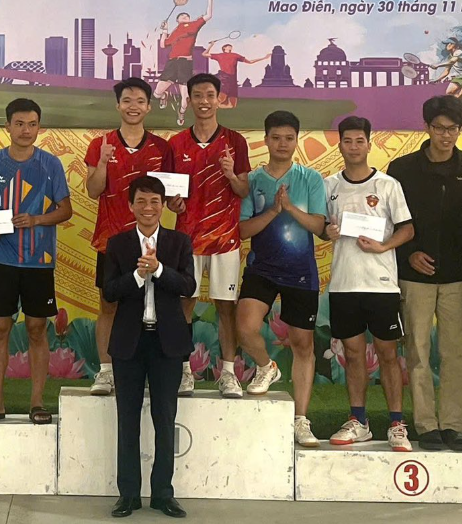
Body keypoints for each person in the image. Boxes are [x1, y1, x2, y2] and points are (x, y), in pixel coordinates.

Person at [388, 94, 462, 451]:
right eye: (439, 128)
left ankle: (455, 426)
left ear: (460, 130)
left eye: (453, 129)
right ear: (427, 128)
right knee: (417, 350)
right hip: (414, 275)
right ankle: (426, 425)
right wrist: (409, 253)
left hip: (457, 274)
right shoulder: (402, 169)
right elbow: (390, 220)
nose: (446, 135)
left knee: (455, 353)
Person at [0, 98, 73, 425]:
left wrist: (37, 220)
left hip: (38, 261)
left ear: (39, 127)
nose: (26, 130)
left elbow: (65, 210)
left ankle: (37, 403)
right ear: (7, 126)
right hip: (1, 259)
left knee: (36, 329)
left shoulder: (50, 164)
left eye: (32, 124)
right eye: (19, 124)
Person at [103, 175, 196, 519]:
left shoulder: (179, 242)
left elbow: (188, 285)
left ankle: (163, 494)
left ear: (163, 205)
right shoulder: (117, 244)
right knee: (127, 419)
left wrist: (158, 271)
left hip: (167, 344)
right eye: (141, 201)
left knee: (165, 418)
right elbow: (109, 291)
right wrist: (137, 276)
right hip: (129, 343)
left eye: (154, 201)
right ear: (130, 206)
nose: (148, 208)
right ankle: (128, 495)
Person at [323, 116, 415, 452]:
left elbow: (407, 229)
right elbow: (322, 227)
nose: (353, 147)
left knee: (388, 354)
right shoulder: (329, 185)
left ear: (369, 144)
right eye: (347, 141)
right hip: (344, 283)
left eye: (359, 141)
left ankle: (396, 424)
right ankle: (359, 421)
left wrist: (383, 246)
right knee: (353, 354)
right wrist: (327, 231)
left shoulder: (388, 185)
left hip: (381, 284)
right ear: (339, 145)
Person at [236, 110, 328, 447]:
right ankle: (266, 366)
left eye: (289, 138)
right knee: (245, 326)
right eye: (276, 138)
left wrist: (289, 208)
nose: (282, 144)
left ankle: (301, 420)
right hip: (261, 268)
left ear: (297, 140)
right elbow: (243, 230)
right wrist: (273, 211)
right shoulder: (252, 180)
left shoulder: (311, 178)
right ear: (265, 140)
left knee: (303, 345)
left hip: (300, 272)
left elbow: (319, 226)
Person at [85, 78, 174, 396]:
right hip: (111, 241)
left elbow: (170, 197)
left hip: (152, 243)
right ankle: (106, 371)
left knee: (152, 306)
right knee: (109, 306)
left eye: (139, 101)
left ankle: (151, 371)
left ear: (149, 106)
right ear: (117, 105)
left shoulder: (162, 148)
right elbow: (93, 190)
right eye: (127, 100)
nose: (133, 106)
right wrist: (103, 161)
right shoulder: (101, 144)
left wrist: (179, 202)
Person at [167, 73, 250, 397]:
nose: (204, 101)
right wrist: (173, 203)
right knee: (183, 304)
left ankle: (228, 373)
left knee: (226, 307)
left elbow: (243, 189)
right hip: (186, 238)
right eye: (198, 95)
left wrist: (230, 173)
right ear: (189, 100)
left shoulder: (235, 141)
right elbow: (170, 196)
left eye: (210, 95)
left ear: (219, 99)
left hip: (225, 238)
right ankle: (183, 371)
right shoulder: (176, 144)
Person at [154, 0, 217, 125]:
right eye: (181, 15)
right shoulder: (175, 31)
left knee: (186, 97)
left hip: (185, 64)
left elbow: (208, 15)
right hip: (172, 63)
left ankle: (181, 113)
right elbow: (163, 44)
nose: (184, 16)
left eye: (186, 15)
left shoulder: (193, 25)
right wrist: (164, 30)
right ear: (177, 20)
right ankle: (164, 95)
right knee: (156, 94)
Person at [207, 43, 270, 109]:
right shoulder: (219, 55)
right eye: (228, 46)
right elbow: (204, 54)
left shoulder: (235, 55)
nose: (230, 46)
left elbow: (250, 62)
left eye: (230, 46)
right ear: (224, 48)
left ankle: (215, 105)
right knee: (223, 95)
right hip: (225, 77)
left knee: (232, 105)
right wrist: (211, 44)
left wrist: (264, 58)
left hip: (233, 79)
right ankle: (212, 104)